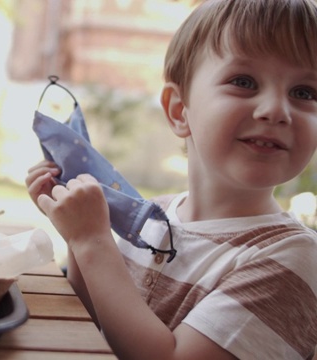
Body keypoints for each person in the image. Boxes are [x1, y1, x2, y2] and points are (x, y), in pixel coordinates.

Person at [25, 0, 317, 359]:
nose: (276, 109)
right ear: (180, 110)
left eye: (305, 92)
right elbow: (95, 325)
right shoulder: (156, 217)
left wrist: (93, 241)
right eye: (244, 82)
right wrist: (77, 234)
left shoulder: (293, 259)